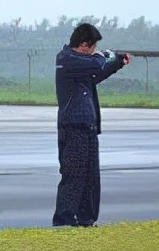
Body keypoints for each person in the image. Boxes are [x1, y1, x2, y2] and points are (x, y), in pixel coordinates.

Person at [52, 23, 130, 227]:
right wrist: (106, 55)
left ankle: (86, 219)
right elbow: (97, 64)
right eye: (93, 47)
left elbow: (97, 74)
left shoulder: (83, 64)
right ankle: (65, 221)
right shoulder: (66, 59)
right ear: (85, 45)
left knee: (90, 179)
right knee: (73, 177)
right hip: (73, 129)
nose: (95, 51)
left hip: (88, 127)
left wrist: (117, 63)